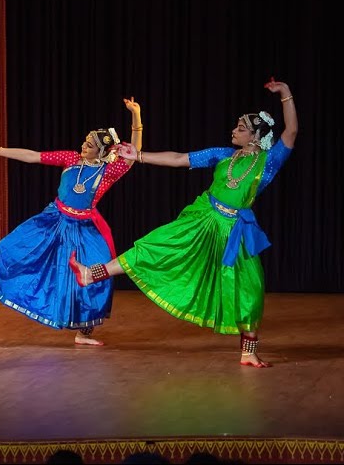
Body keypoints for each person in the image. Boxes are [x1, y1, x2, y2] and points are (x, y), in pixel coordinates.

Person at [71, 79, 298, 367]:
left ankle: (248, 351)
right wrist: (138, 156)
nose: (234, 130)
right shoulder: (223, 155)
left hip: (234, 231)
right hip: (203, 218)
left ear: (255, 136)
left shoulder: (269, 161)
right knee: (155, 246)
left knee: (250, 288)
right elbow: (179, 158)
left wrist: (285, 93)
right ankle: (93, 273)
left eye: (240, 128)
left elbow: (291, 131)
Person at [0, 98, 142, 345]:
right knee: (9, 248)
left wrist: (136, 117)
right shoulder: (70, 159)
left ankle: (84, 333)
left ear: (101, 152)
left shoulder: (107, 172)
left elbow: (133, 154)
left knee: (97, 275)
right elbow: (32, 156)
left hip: (85, 228)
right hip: (53, 219)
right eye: (85, 141)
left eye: (89, 145)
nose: (83, 145)